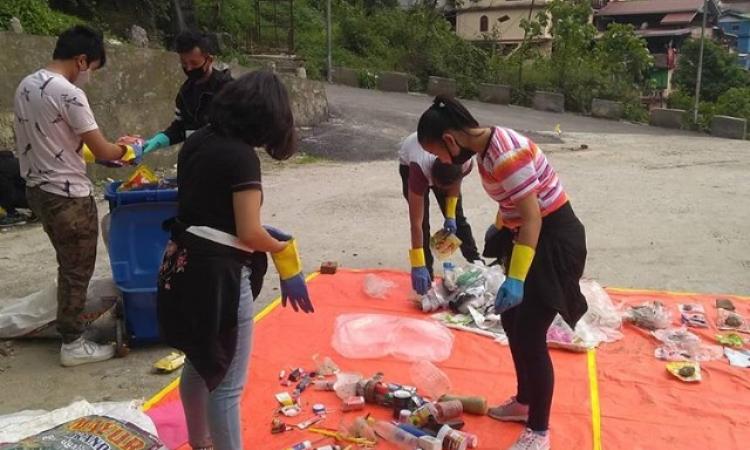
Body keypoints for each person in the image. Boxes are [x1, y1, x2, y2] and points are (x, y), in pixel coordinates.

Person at [416, 96, 587, 450]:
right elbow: (512, 204)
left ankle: (539, 430)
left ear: (451, 140)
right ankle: (525, 403)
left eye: (442, 154)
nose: (446, 163)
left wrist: (517, 278)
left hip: (552, 240)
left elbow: (534, 217)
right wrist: (498, 228)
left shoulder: (506, 155)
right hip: (527, 236)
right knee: (512, 321)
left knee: (530, 332)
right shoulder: (485, 152)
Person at [156, 70, 314, 450]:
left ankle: (200, 442)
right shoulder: (241, 157)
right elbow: (248, 233)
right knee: (227, 382)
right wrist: (280, 248)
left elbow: (208, 209)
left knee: (198, 359)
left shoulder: (199, 141)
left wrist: (260, 231)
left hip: (182, 264)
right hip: (218, 276)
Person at [13, 25, 143, 367]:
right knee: (77, 268)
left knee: (66, 261)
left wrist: (107, 152)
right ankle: (72, 343)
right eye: (93, 69)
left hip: (38, 191)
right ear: (82, 60)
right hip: (68, 195)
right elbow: (101, 147)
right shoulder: (69, 93)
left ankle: (66, 321)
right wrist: (130, 149)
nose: (90, 77)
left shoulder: (27, 85)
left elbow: (57, 142)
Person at [398, 132, 480, 294]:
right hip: (409, 163)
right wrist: (418, 263)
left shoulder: (464, 161)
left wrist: (450, 215)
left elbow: (456, 184)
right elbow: (416, 224)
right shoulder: (418, 169)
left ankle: (476, 262)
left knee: (458, 219)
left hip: (446, 172)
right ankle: (426, 274)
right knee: (423, 223)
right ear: (432, 180)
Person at [141, 30, 232, 154]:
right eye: (184, 63)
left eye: (194, 63)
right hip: (197, 157)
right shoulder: (185, 93)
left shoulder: (230, 90)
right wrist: (157, 141)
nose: (189, 68)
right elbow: (180, 128)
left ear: (209, 59)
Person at [0, 150, 33, 227]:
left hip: (29, 197)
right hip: (41, 196)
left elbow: (5, 190)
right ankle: (36, 212)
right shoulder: (15, 161)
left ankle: (13, 215)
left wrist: (9, 210)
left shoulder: (3, 166)